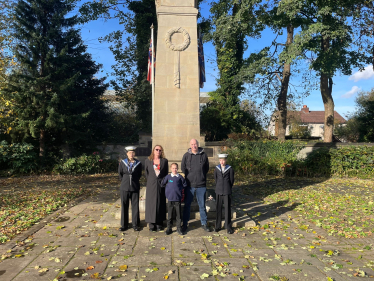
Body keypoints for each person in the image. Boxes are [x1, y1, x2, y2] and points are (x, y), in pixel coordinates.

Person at [181, 139, 210, 232]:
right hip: (189, 185)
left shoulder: (204, 155)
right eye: (192, 144)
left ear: (198, 145)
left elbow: (206, 168)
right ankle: (185, 224)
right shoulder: (186, 155)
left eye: (195, 144)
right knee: (187, 205)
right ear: (190, 145)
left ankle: (204, 223)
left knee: (202, 205)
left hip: (201, 185)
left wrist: (201, 175)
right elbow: (183, 167)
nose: (194, 146)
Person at [145, 144, 168, 231]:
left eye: (160, 150)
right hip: (151, 185)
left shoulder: (164, 161)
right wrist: (152, 180)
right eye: (156, 149)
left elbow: (165, 173)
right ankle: (151, 224)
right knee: (151, 204)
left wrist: (162, 182)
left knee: (160, 203)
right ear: (153, 151)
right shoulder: (148, 161)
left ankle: (159, 223)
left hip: (161, 185)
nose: (158, 151)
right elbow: (146, 173)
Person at [118, 146, 142, 231]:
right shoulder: (122, 162)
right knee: (124, 205)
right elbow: (120, 174)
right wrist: (126, 181)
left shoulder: (138, 163)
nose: (131, 154)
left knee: (135, 206)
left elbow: (139, 174)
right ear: (127, 154)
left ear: (134, 154)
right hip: (124, 187)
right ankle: (124, 225)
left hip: (135, 187)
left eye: (133, 153)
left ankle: (135, 224)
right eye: (130, 153)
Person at [161, 163, 187, 235]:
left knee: (178, 214)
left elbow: (184, 184)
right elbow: (162, 184)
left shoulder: (180, 177)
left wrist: (180, 190)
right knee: (170, 214)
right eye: (173, 168)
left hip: (177, 199)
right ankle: (169, 228)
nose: (174, 170)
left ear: (177, 169)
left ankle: (179, 228)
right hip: (170, 199)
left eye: (176, 168)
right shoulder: (168, 177)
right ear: (170, 168)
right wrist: (167, 191)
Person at [214, 154, 235, 234]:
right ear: (219, 160)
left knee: (227, 209)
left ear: (226, 160)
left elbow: (231, 180)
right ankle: (218, 226)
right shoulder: (216, 168)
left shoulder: (230, 169)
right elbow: (216, 179)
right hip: (218, 191)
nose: (222, 162)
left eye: (223, 160)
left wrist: (227, 187)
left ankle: (228, 226)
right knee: (218, 209)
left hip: (227, 191)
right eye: (220, 160)